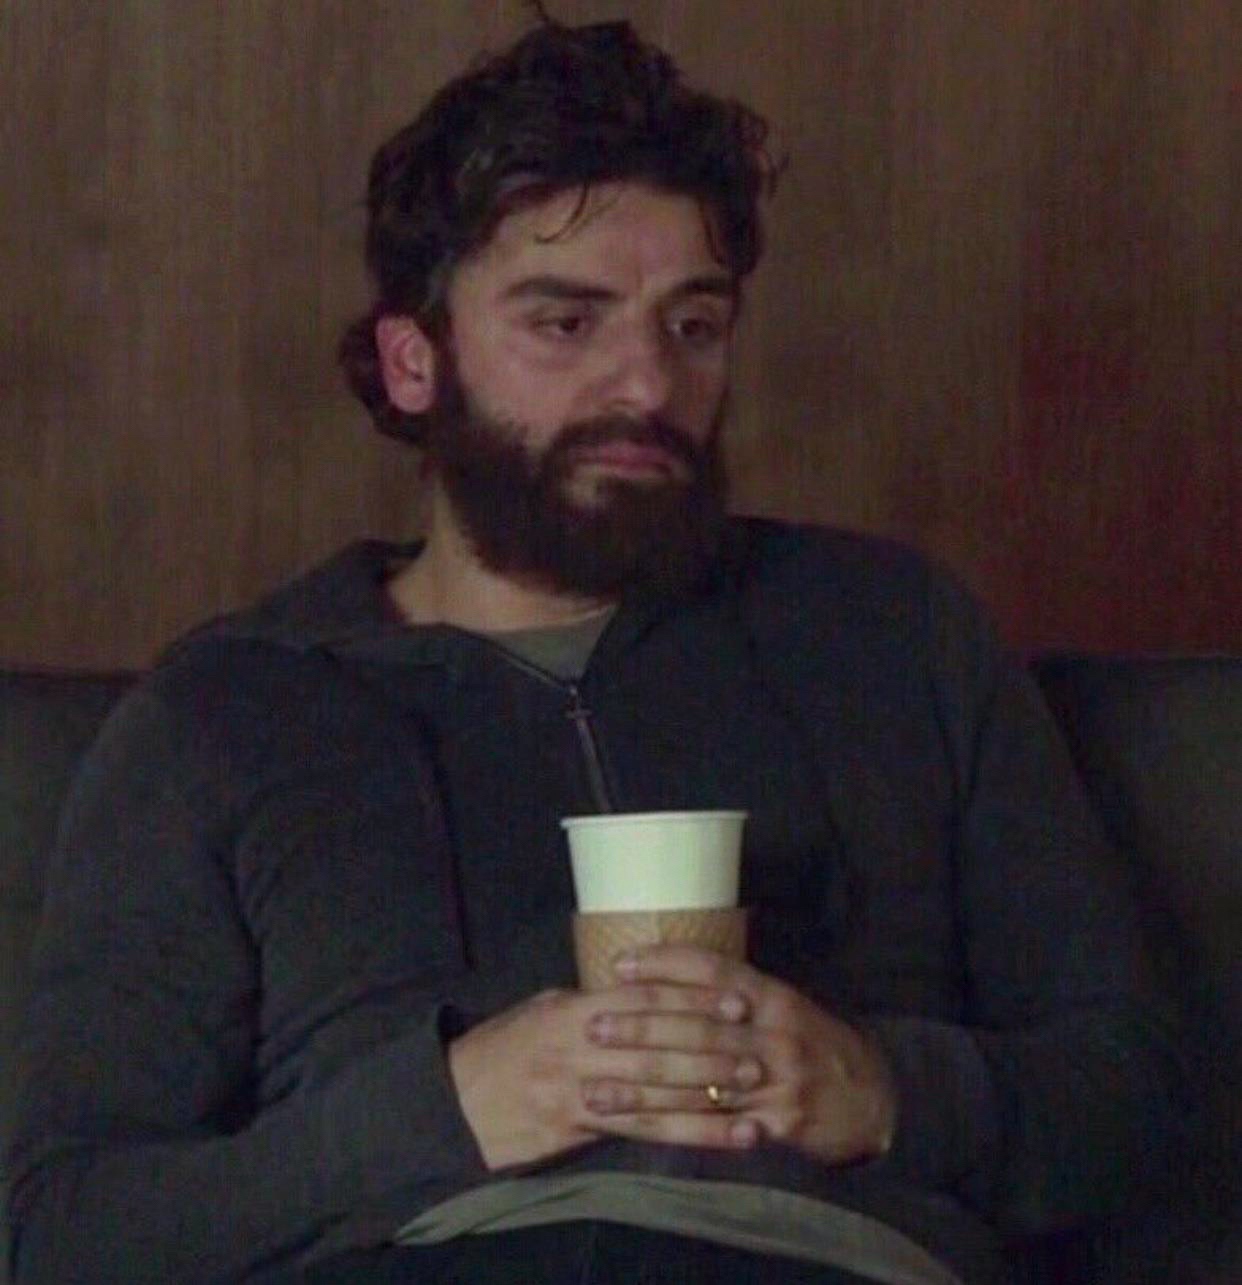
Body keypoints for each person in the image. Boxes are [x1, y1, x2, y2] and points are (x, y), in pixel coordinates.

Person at [4, 17, 1190, 1285]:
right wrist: (441, 1113)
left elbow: (1146, 1103)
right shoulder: (229, 711)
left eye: (694, 325)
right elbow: (60, 1227)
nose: (646, 386)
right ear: (414, 361)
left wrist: (889, 1089)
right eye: (566, 323)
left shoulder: (891, 633)